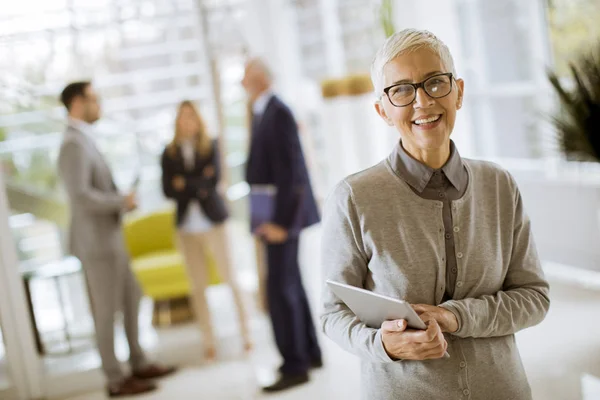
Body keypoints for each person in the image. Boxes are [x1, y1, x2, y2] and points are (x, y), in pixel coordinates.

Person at [320, 29, 550, 400]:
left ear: (458, 91)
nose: (423, 102)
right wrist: (385, 345)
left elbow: (534, 297)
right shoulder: (353, 197)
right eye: (402, 90)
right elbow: (333, 315)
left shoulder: (499, 185)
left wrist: (455, 317)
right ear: (382, 109)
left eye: (435, 83)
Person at [57, 81, 176, 397]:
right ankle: (115, 379)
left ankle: (138, 362)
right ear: (77, 103)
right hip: (96, 246)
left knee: (132, 297)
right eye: (95, 99)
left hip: (111, 239)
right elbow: (80, 197)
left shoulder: (85, 140)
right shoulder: (72, 144)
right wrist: (120, 201)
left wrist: (120, 200)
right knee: (106, 312)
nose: (100, 105)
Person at [242, 58, 322, 392]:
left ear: (259, 78)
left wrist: (280, 223)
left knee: (280, 289)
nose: (241, 82)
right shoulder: (265, 111)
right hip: (270, 213)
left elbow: (291, 172)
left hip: (280, 217)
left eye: (245, 76)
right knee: (291, 284)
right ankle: (309, 353)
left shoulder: (278, 112)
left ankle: (294, 365)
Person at [160, 100, 252, 360]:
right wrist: (196, 182)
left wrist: (184, 183)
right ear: (177, 121)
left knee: (230, 279)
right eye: (182, 117)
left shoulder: (211, 145)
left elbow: (212, 183)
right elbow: (168, 189)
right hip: (186, 229)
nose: (187, 121)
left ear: (198, 120)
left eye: (191, 116)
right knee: (197, 286)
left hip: (214, 223)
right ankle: (209, 342)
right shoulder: (169, 153)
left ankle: (246, 335)